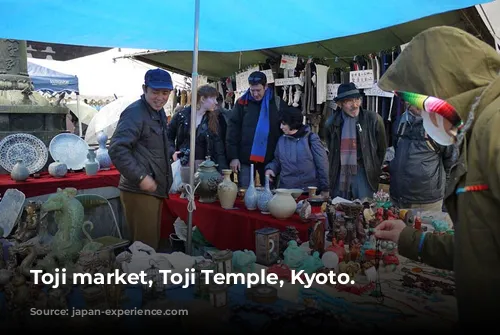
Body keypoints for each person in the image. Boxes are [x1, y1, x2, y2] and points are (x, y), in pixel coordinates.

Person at [374, 26, 500, 328]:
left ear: (441, 86)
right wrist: (411, 239)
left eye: (415, 101)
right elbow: (480, 244)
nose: (415, 111)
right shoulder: (477, 129)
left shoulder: (493, 126)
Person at [108, 68, 174, 250]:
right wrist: (140, 177)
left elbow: (157, 143)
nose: (160, 97)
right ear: (145, 89)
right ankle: (139, 278)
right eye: (155, 92)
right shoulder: (135, 112)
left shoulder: (157, 112)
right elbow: (117, 149)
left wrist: (172, 152)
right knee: (143, 249)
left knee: (150, 245)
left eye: (165, 93)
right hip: (139, 189)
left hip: (155, 188)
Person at [324, 83, 387, 200]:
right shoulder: (331, 123)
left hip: (364, 172)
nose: (355, 105)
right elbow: (331, 148)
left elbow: (381, 149)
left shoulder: (373, 119)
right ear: (340, 104)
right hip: (340, 172)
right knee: (340, 209)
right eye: (349, 101)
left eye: (357, 99)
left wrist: (374, 168)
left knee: (365, 210)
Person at [390, 102, 453, 212]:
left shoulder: (441, 126)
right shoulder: (400, 122)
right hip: (398, 198)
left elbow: (452, 164)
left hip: (427, 202)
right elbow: (397, 150)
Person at [226, 71, 283, 187]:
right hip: (245, 158)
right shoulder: (242, 103)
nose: (255, 94)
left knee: (269, 196)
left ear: (266, 87)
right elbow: (232, 131)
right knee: (245, 193)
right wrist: (233, 157)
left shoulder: (276, 103)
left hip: (269, 159)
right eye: (252, 90)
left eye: (258, 90)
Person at [265, 106, 329, 195]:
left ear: (292, 123)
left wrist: (325, 188)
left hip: (308, 191)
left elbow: (322, 164)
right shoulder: (281, 140)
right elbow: (277, 161)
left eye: (284, 124)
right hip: (286, 191)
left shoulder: (311, 139)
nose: (281, 127)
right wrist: (271, 169)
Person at [167, 84, 228, 172]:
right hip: (183, 164)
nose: (216, 102)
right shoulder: (181, 116)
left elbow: (219, 148)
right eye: (213, 98)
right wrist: (172, 152)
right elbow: (168, 137)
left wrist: (222, 171)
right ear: (202, 99)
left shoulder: (215, 119)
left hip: (207, 168)